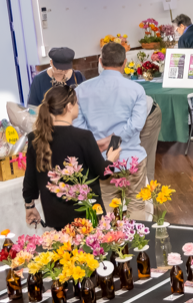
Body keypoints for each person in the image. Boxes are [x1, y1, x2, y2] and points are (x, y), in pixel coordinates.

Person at [22, 83, 121, 230]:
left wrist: (29, 206)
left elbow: (30, 179)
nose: (78, 107)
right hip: (86, 218)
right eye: (77, 103)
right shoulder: (84, 137)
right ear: (69, 106)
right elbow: (103, 172)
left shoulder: (35, 138)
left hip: (54, 217)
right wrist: (112, 158)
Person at [72, 42, 150, 219]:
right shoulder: (136, 89)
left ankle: (111, 246)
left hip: (99, 159)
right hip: (131, 158)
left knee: (106, 208)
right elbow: (136, 124)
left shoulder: (82, 89)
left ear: (100, 61)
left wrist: (100, 143)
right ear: (124, 62)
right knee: (136, 205)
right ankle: (136, 245)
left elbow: (78, 126)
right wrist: (114, 140)